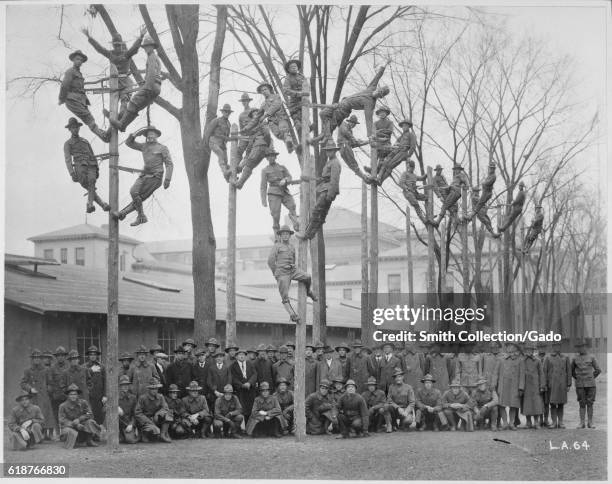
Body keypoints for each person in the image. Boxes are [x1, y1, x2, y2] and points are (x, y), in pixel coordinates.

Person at [311, 63, 390, 144]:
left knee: (331, 124)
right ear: (377, 88)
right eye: (379, 90)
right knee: (322, 113)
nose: (377, 93)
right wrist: (384, 66)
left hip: (343, 110)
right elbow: (377, 77)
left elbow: (368, 120)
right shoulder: (371, 88)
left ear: (380, 96)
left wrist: (370, 135)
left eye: (380, 94)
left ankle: (320, 138)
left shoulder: (370, 104)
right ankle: (325, 136)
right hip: (340, 103)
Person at [112, 125, 173, 226]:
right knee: (134, 192)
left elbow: (169, 164)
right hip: (144, 175)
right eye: (148, 134)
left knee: (140, 197)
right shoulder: (144, 146)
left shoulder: (162, 148)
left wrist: (167, 179)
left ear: (157, 135)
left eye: (153, 134)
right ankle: (140, 216)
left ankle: (124, 214)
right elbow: (129, 143)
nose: (150, 136)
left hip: (155, 177)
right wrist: (135, 135)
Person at [82, 27, 146, 117]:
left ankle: (122, 113)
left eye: (119, 45)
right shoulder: (110, 54)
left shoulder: (126, 54)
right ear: (113, 46)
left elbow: (134, 48)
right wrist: (89, 37)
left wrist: (141, 37)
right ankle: (112, 116)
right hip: (114, 82)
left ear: (121, 45)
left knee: (125, 97)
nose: (117, 47)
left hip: (125, 81)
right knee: (114, 99)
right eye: (115, 45)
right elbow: (100, 49)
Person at [107, 35, 162, 132]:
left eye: (149, 46)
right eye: (145, 47)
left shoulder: (152, 57)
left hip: (151, 85)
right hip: (156, 87)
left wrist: (147, 87)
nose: (146, 49)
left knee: (133, 102)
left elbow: (152, 73)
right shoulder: (154, 57)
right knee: (136, 107)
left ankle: (121, 123)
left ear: (153, 47)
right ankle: (123, 125)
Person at [59, 49, 110, 142]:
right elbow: (64, 85)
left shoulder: (79, 73)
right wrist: (61, 99)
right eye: (77, 59)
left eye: (81, 60)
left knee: (90, 118)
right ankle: (103, 136)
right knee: (88, 118)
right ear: (73, 60)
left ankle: (102, 133)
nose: (79, 61)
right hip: (72, 100)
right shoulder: (70, 71)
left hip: (80, 100)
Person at [268, 226, 317, 321]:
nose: (285, 236)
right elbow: (270, 261)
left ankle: (308, 292)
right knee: (285, 296)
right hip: (282, 273)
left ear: (289, 236)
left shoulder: (291, 246)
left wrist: (293, 267)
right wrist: (276, 273)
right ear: (280, 236)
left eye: (287, 234)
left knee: (307, 277)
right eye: (283, 234)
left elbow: (293, 259)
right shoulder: (277, 246)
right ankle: (292, 315)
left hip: (292, 270)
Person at [295, 141, 342, 240]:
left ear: (334, 151)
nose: (328, 152)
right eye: (327, 151)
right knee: (321, 214)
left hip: (328, 190)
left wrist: (330, 194)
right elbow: (325, 177)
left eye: (330, 151)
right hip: (324, 188)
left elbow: (334, 179)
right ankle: (310, 235)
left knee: (317, 211)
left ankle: (306, 234)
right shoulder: (330, 162)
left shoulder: (335, 163)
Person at [63, 117, 110, 213]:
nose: (75, 129)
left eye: (76, 127)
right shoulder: (68, 144)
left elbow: (92, 154)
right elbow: (67, 159)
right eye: (73, 128)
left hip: (91, 165)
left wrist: (97, 169)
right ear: (70, 129)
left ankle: (90, 204)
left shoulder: (85, 141)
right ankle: (102, 204)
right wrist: (72, 173)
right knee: (89, 187)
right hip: (80, 167)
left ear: (79, 128)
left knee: (92, 181)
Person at [260, 148, 299, 234]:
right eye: (269, 156)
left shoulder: (282, 167)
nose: (271, 158)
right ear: (267, 158)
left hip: (284, 191)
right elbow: (263, 186)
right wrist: (263, 200)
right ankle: (277, 235)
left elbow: (289, 177)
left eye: (272, 156)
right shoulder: (265, 170)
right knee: (275, 215)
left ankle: (296, 223)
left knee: (292, 206)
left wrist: (285, 180)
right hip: (273, 193)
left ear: (275, 157)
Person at [21, 349, 54, 441]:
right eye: (35, 358)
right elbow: (23, 383)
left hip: (44, 397)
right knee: (34, 415)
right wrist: (30, 389)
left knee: (46, 415)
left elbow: (50, 383)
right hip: (33, 398)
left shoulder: (46, 370)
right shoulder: (28, 370)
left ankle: (45, 434)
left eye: (38, 358)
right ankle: (35, 434)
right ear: (32, 359)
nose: (37, 359)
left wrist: (48, 389)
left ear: (41, 359)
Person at [371, 119, 417, 185]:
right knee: (385, 162)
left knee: (390, 166)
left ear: (409, 126)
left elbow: (413, 146)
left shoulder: (411, 135)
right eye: (403, 126)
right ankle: (378, 177)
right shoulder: (401, 136)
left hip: (403, 152)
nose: (404, 127)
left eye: (406, 126)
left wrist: (409, 155)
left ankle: (380, 181)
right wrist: (394, 146)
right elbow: (396, 143)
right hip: (396, 150)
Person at [58, 383, 101, 449]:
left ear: (78, 395)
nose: (73, 396)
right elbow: (62, 420)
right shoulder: (62, 406)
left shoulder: (83, 403)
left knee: (90, 422)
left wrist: (79, 419)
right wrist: (74, 424)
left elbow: (90, 414)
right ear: (68, 396)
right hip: (70, 427)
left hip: (82, 427)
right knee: (67, 431)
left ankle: (89, 440)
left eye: (75, 394)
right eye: (71, 394)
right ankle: (73, 442)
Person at [571, 339, 601, 429]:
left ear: (586, 347)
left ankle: (590, 423)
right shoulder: (574, 358)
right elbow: (571, 371)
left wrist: (591, 377)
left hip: (591, 384)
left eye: (582, 347)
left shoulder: (592, 357)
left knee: (590, 403)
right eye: (579, 347)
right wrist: (578, 378)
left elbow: (598, 370)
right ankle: (582, 423)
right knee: (582, 403)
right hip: (580, 384)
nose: (580, 349)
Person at [257, 82, 294, 153]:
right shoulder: (263, 104)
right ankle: (289, 144)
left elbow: (276, 105)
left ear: (269, 89)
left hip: (281, 118)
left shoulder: (276, 96)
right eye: (262, 90)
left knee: (283, 129)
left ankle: (289, 142)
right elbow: (257, 116)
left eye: (265, 89)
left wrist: (265, 115)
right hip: (272, 122)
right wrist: (248, 127)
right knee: (278, 134)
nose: (264, 91)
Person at [205, 103, 237, 181]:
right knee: (220, 154)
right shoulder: (216, 120)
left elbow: (226, 137)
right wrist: (206, 144)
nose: (227, 113)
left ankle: (228, 177)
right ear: (222, 112)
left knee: (226, 161)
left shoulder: (229, 124)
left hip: (222, 144)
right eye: (225, 112)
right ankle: (225, 172)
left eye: (228, 112)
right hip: (213, 141)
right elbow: (208, 132)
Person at [134, 377, 172, 443]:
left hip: (156, 418)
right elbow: (138, 413)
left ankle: (163, 435)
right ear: (149, 389)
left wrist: (158, 413)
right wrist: (148, 421)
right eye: (152, 389)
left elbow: (165, 408)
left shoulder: (160, 397)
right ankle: (144, 434)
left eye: (156, 388)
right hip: (146, 421)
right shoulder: (142, 398)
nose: (155, 390)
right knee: (152, 431)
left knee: (168, 415)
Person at [544, 341, 571, 429]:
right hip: (551, 384)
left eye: (559, 346)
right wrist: (544, 384)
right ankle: (554, 422)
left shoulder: (566, 357)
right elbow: (545, 372)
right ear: (552, 347)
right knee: (552, 404)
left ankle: (561, 422)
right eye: (555, 346)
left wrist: (568, 384)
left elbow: (569, 371)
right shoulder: (548, 358)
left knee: (561, 404)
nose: (557, 348)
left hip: (562, 384)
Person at [336, 114, 371, 182]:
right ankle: (365, 177)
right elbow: (346, 133)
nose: (353, 125)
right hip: (344, 146)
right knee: (352, 164)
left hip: (345, 147)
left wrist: (365, 142)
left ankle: (364, 178)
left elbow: (353, 143)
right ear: (349, 122)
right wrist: (354, 140)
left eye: (354, 124)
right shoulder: (344, 124)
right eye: (352, 123)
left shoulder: (350, 131)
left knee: (352, 165)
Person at [520, 342, 545, 429]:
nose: (528, 351)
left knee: (536, 404)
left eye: (530, 350)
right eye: (527, 350)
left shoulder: (537, 361)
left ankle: (536, 422)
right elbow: (520, 374)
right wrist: (521, 387)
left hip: (535, 385)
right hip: (526, 385)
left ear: (533, 350)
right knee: (527, 404)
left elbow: (541, 374)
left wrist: (542, 385)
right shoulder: (522, 360)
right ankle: (528, 422)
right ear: (525, 351)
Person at [497, 342, 522, 430]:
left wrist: (521, 387)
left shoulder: (519, 360)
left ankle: (511, 423)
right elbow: (497, 374)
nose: (510, 349)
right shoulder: (502, 360)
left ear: (515, 349)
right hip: (503, 386)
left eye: (512, 348)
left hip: (514, 387)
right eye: (508, 347)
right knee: (502, 405)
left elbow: (522, 375)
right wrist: (496, 386)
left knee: (513, 405)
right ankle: (505, 423)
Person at [398, 160, 430, 225]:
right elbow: (401, 183)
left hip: (414, 192)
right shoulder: (405, 174)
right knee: (416, 204)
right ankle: (424, 220)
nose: (410, 169)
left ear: (413, 167)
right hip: (408, 192)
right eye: (409, 167)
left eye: (412, 167)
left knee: (426, 197)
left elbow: (421, 178)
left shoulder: (414, 175)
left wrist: (427, 174)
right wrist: (406, 188)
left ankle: (428, 215)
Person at [282, 59, 307, 136]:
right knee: (296, 117)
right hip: (294, 101)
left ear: (298, 67)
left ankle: (307, 128)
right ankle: (298, 126)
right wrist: (298, 94)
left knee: (305, 117)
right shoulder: (288, 78)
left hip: (304, 100)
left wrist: (306, 93)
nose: (294, 68)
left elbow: (307, 86)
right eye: (291, 67)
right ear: (289, 69)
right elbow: (286, 90)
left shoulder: (302, 76)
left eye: (295, 66)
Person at [231, 349, 257, 422]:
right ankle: (238, 429)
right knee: (240, 409)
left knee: (250, 409)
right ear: (236, 357)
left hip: (250, 391)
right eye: (240, 355)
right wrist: (241, 385)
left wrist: (249, 383)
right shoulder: (233, 366)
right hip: (240, 391)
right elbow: (233, 378)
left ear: (245, 356)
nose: (241, 356)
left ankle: (248, 429)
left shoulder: (250, 364)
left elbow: (254, 374)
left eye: (243, 355)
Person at [84, 345, 106, 425]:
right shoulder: (84, 367)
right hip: (89, 396)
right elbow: (82, 379)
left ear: (97, 355)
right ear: (88, 356)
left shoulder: (102, 367)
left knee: (100, 416)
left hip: (99, 396)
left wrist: (105, 395)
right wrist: (90, 370)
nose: (93, 356)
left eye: (94, 354)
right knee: (90, 415)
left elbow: (105, 381)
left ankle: (99, 435)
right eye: (91, 354)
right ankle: (91, 435)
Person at [118, 375, 138, 444]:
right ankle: (120, 434)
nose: (125, 386)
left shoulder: (133, 398)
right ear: (120, 386)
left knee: (130, 440)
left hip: (128, 423)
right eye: (123, 385)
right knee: (119, 440)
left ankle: (129, 435)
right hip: (118, 424)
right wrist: (115, 408)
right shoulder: (115, 397)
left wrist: (131, 424)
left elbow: (135, 414)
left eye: (127, 385)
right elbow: (104, 410)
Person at [237, 92, 255, 162]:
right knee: (239, 151)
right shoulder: (241, 115)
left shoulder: (253, 111)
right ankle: (235, 165)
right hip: (245, 136)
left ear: (248, 101)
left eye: (246, 100)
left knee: (249, 151)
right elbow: (241, 129)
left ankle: (241, 166)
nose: (244, 102)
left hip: (253, 135)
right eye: (243, 101)